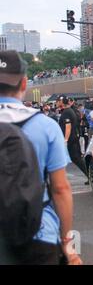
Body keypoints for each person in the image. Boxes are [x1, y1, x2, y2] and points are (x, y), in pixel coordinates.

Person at [0, 51, 82, 265]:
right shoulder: (45, 125)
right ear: (24, 83)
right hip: (39, 232)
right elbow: (60, 188)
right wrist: (67, 244)